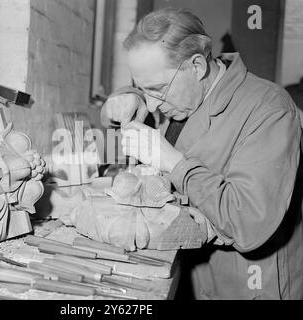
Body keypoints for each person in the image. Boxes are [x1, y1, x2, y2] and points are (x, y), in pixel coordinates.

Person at [100, 8, 303, 300]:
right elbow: (147, 96)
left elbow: (247, 222)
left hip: (246, 285)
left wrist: (173, 162)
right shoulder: (182, 91)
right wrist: (125, 96)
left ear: (197, 66)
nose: (153, 105)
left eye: (156, 89)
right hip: (192, 273)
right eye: (143, 88)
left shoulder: (269, 109)